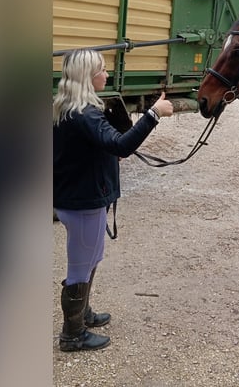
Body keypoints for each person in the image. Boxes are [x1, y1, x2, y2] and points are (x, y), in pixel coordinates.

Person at [52, 48, 173, 352]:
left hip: (78, 197)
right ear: (88, 77)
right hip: (82, 202)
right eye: (102, 69)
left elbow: (93, 149)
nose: (107, 74)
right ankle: (72, 334)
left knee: (90, 259)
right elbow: (121, 146)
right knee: (80, 266)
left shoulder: (69, 108)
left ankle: (83, 314)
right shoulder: (84, 114)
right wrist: (153, 114)